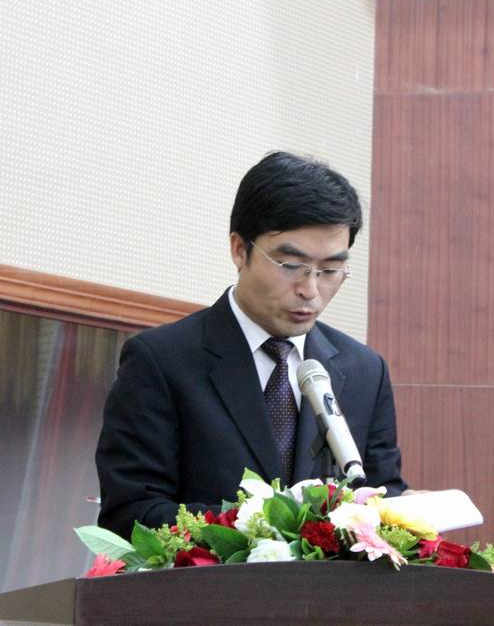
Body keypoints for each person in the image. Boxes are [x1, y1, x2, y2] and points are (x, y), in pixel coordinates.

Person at [96, 151, 407, 538]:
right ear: (239, 249)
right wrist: (267, 522)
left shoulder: (364, 371)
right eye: (291, 266)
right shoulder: (161, 361)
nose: (310, 290)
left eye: (330, 270)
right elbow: (132, 514)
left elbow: (383, 501)